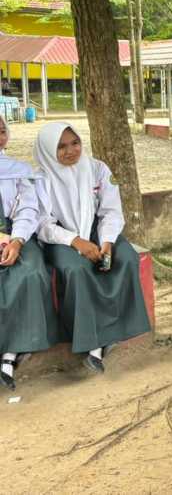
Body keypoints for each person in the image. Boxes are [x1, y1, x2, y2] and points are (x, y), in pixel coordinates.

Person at [33, 122, 149, 374]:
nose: (71, 151)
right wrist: (76, 241)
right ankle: (93, 343)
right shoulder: (40, 179)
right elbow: (42, 224)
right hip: (61, 236)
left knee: (126, 258)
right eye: (61, 146)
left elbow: (111, 210)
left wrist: (106, 241)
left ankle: (119, 330)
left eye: (75, 143)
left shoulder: (97, 169)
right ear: (48, 150)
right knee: (76, 269)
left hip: (97, 228)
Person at [0, 117, 58, 391]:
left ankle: (12, 353)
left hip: (17, 233)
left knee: (31, 272)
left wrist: (17, 240)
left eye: (2, 130)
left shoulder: (19, 170)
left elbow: (28, 208)